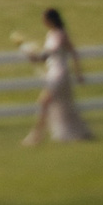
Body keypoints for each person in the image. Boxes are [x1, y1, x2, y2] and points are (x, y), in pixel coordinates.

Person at [23, 8, 93, 145]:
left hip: (60, 74)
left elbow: (61, 53)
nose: (43, 22)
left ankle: (36, 136)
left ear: (51, 20)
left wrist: (78, 73)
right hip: (54, 73)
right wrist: (34, 58)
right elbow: (47, 57)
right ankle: (81, 132)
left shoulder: (60, 35)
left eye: (45, 19)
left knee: (44, 102)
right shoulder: (51, 34)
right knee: (65, 105)